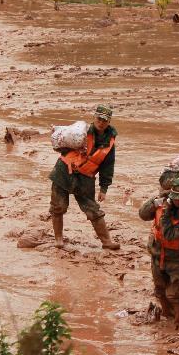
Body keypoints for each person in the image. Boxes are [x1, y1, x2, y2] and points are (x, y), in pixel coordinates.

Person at [49, 105, 118, 250]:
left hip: (86, 178)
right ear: (94, 118)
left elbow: (108, 167)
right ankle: (58, 239)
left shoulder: (110, 144)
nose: (101, 122)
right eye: (99, 119)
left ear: (109, 122)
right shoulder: (81, 132)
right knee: (58, 207)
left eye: (105, 120)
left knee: (93, 210)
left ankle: (107, 241)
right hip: (64, 172)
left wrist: (103, 188)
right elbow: (62, 148)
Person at [140, 174, 179, 328]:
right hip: (157, 254)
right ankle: (167, 315)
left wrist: (166, 211)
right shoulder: (163, 200)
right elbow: (143, 214)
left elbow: (170, 234)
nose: (178, 201)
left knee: (177, 293)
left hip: (178, 258)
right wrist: (153, 204)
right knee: (160, 289)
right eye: (175, 197)